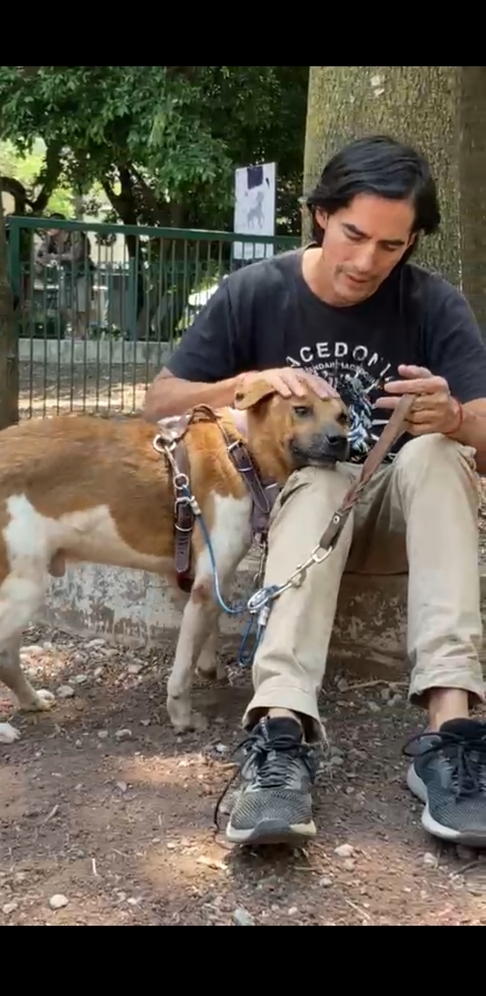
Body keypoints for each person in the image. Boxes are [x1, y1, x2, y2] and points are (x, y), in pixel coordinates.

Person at [143, 135, 486, 849]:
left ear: (412, 241)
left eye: (391, 246)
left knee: (437, 453)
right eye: (354, 234)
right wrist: (248, 384)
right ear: (322, 215)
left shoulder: (432, 303)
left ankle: (451, 734)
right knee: (320, 475)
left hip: (401, 512)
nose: (366, 262)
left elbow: (479, 429)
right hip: (306, 515)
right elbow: (160, 403)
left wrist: (455, 417)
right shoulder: (257, 291)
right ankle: (281, 733)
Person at [36, 214, 94, 338]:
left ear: (60, 227)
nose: (49, 229)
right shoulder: (50, 238)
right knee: (63, 305)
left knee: (81, 306)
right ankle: (75, 329)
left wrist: (54, 257)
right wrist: (49, 259)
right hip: (65, 273)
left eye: (52, 226)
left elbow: (75, 255)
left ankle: (82, 335)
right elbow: (41, 255)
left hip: (82, 273)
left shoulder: (75, 235)